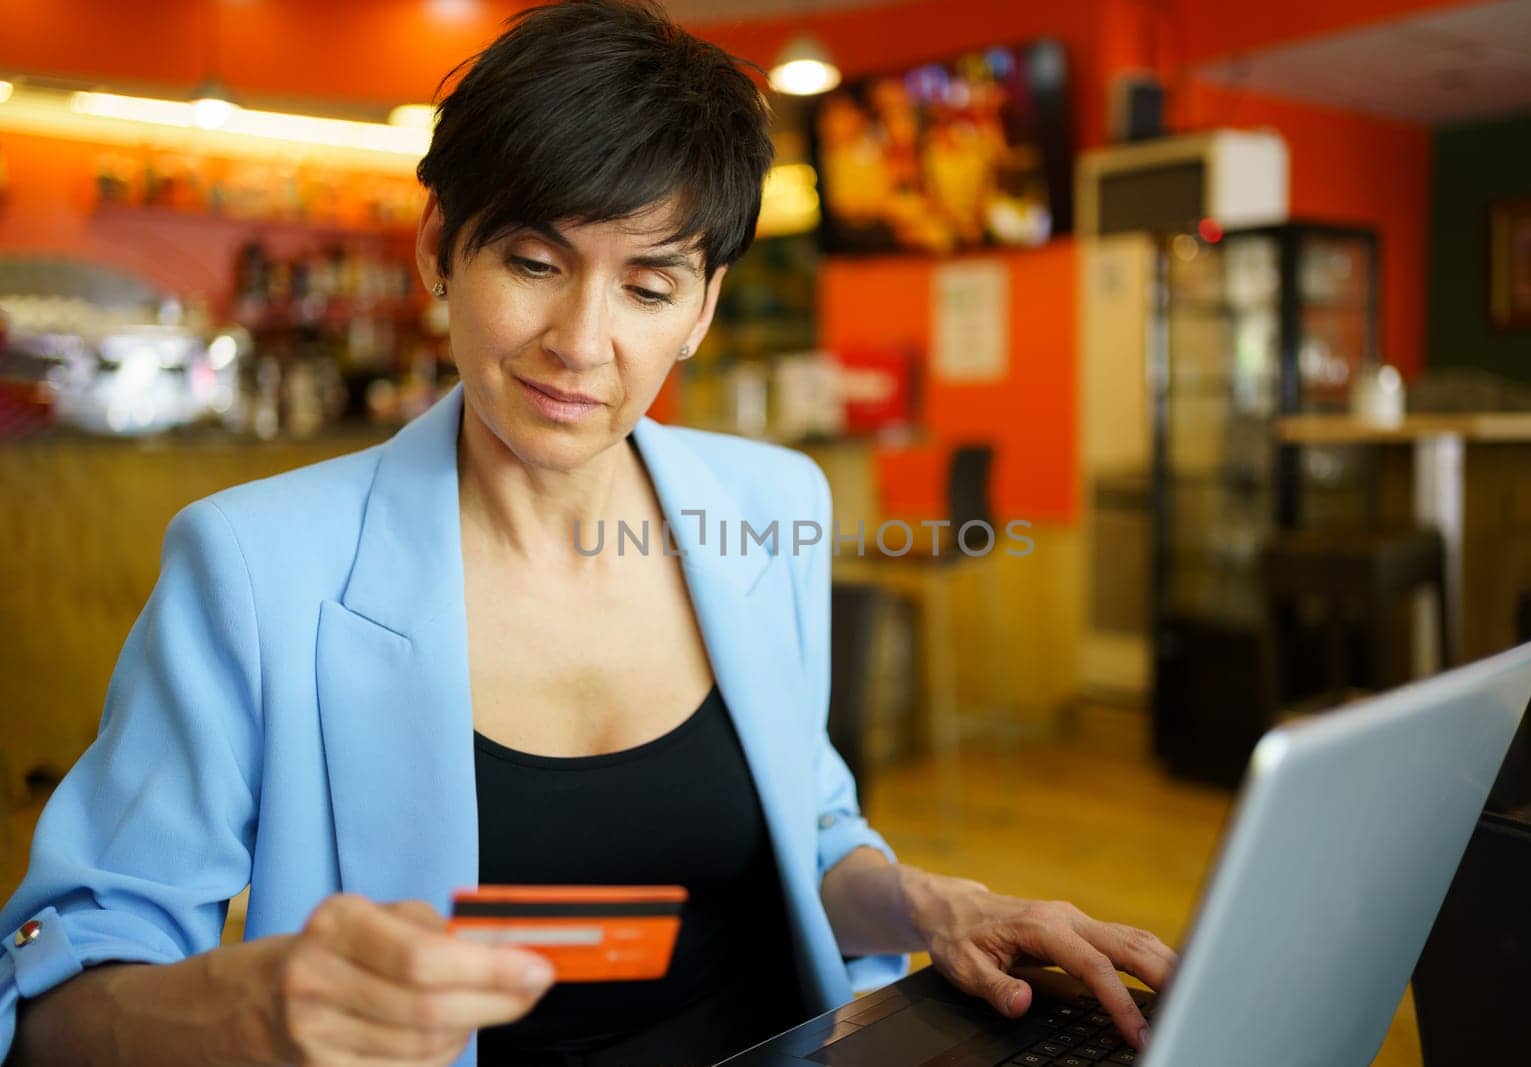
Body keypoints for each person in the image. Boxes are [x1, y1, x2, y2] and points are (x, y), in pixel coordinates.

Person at [0, 2, 1175, 1064]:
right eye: (532, 260)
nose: (580, 339)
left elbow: (805, 831)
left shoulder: (769, 507)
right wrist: (244, 1013)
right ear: (437, 250)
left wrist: (929, 903)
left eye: (648, 286)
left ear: (702, 308)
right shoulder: (257, 566)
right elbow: (55, 998)